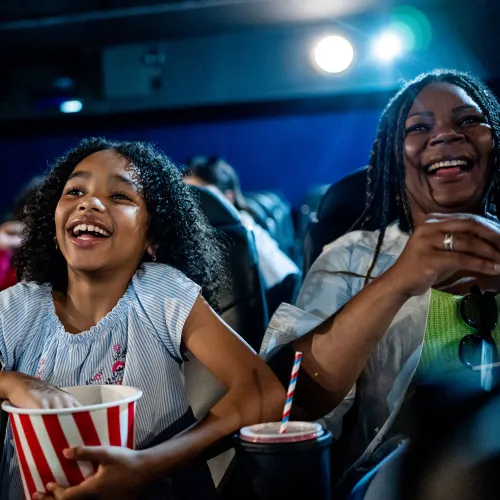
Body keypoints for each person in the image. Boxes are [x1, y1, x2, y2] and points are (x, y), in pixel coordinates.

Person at [0, 138, 285, 499]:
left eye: (120, 196)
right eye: (74, 191)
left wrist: (149, 464)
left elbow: (262, 391)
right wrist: (13, 382)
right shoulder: (18, 308)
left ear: (153, 237)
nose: (89, 202)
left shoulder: (159, 291)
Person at [262, 69, 500, 490]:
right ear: (394, 155)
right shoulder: (352, 257)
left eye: (467, 120)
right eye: (419, 127)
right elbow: (288, 402)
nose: (445, 135)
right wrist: (396, 282)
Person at [183, 156, 300, 313]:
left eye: (201, 198)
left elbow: (289, 281)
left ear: (228, 198)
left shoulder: (246, 229)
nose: (191, 208)